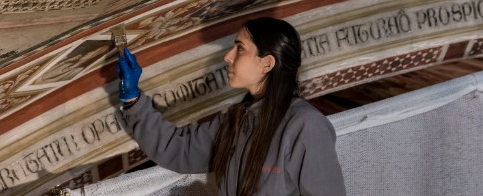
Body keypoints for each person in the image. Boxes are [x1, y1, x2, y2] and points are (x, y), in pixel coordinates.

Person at [116, 17, 346, 195]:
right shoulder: (236, 122)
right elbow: (178, 149)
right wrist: (133, 99)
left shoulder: (305, 126)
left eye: (240, 48)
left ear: (267, 63)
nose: (228, 56)